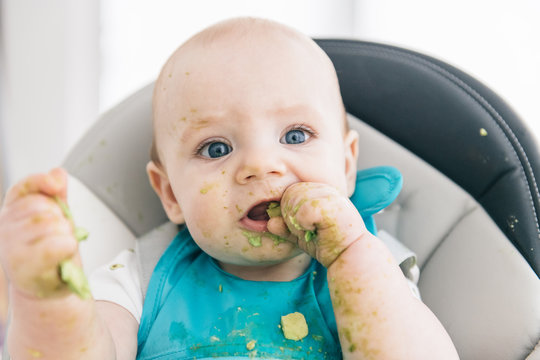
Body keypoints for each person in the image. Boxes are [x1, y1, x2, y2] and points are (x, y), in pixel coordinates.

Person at [0, 17, 459, 359]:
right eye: (216, 148)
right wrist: (47, 298)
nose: (260, 165)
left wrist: (351, 256)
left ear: (345, 164)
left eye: (295, 136)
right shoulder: (140, 275)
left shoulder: (374, 263)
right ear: (171, 195)